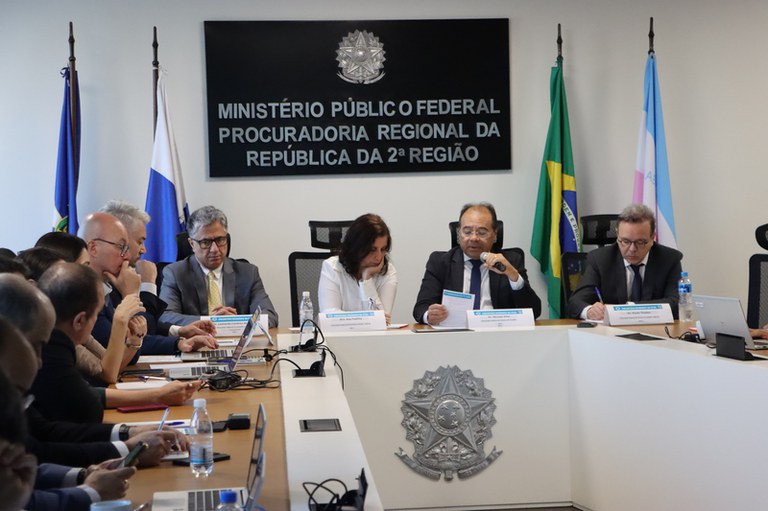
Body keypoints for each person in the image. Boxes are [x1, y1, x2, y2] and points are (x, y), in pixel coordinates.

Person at [0, 273, 183, 468]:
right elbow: (87, 408)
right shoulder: (57, 340)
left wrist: (127, 433)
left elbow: (43, 432)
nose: (38, 359)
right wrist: (126, 449)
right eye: (36, 346)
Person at [32, 263, 200, 424]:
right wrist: (122, 317)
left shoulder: (62, 333)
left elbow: (106, 371)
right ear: (79, 321)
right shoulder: (51, 347)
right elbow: (88, 403)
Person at [83, 211, 216, 357]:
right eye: (122, 246)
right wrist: (136, 292)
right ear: (94, 248)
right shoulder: (86, 295)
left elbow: (139, 334)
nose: (143, 249)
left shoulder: (110, 282)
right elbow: (129, 346)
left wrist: (178, 333)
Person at [413, 202, 542, 325]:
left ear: (495, 234)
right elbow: (420, 308)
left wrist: (513, 275)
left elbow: (534, 312)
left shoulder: (511, 261)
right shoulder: (440, 262)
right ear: (459, 234)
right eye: (467, 231)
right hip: (455, 337)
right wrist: (430, 315)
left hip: (499, 335)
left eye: (481, 232)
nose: (474, 238)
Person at [160, 205, 279, 327]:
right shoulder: (175, 273)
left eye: (220, 240)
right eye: (205, 242)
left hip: (240, 344)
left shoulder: (248, 273)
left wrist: (236, 322)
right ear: (192, 244)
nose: (215, 249)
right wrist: (211, 322)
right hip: (195, 343)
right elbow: (165, 317)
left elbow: (270, 316)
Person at [567, 203, 684, 321]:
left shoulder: (669, 259)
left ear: (652, 238)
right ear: (617, 236)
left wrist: (628, 310)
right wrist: (589, 311)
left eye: (640, 242)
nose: (632, 249)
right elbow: (576, 302)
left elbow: (677, 303)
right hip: (610, 334)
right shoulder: (600, 259)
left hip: (656, 332)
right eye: (625, 241)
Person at [318, 214, 398, 322]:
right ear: (356, 247)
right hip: (339, 338)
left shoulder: (388, 272)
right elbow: (329, 317)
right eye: (372, 249)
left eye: (383, 249)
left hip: (374, 339)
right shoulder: (332, 268)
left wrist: (367, 279)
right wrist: (368, 318)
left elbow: (383, 323)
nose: (379, 257)